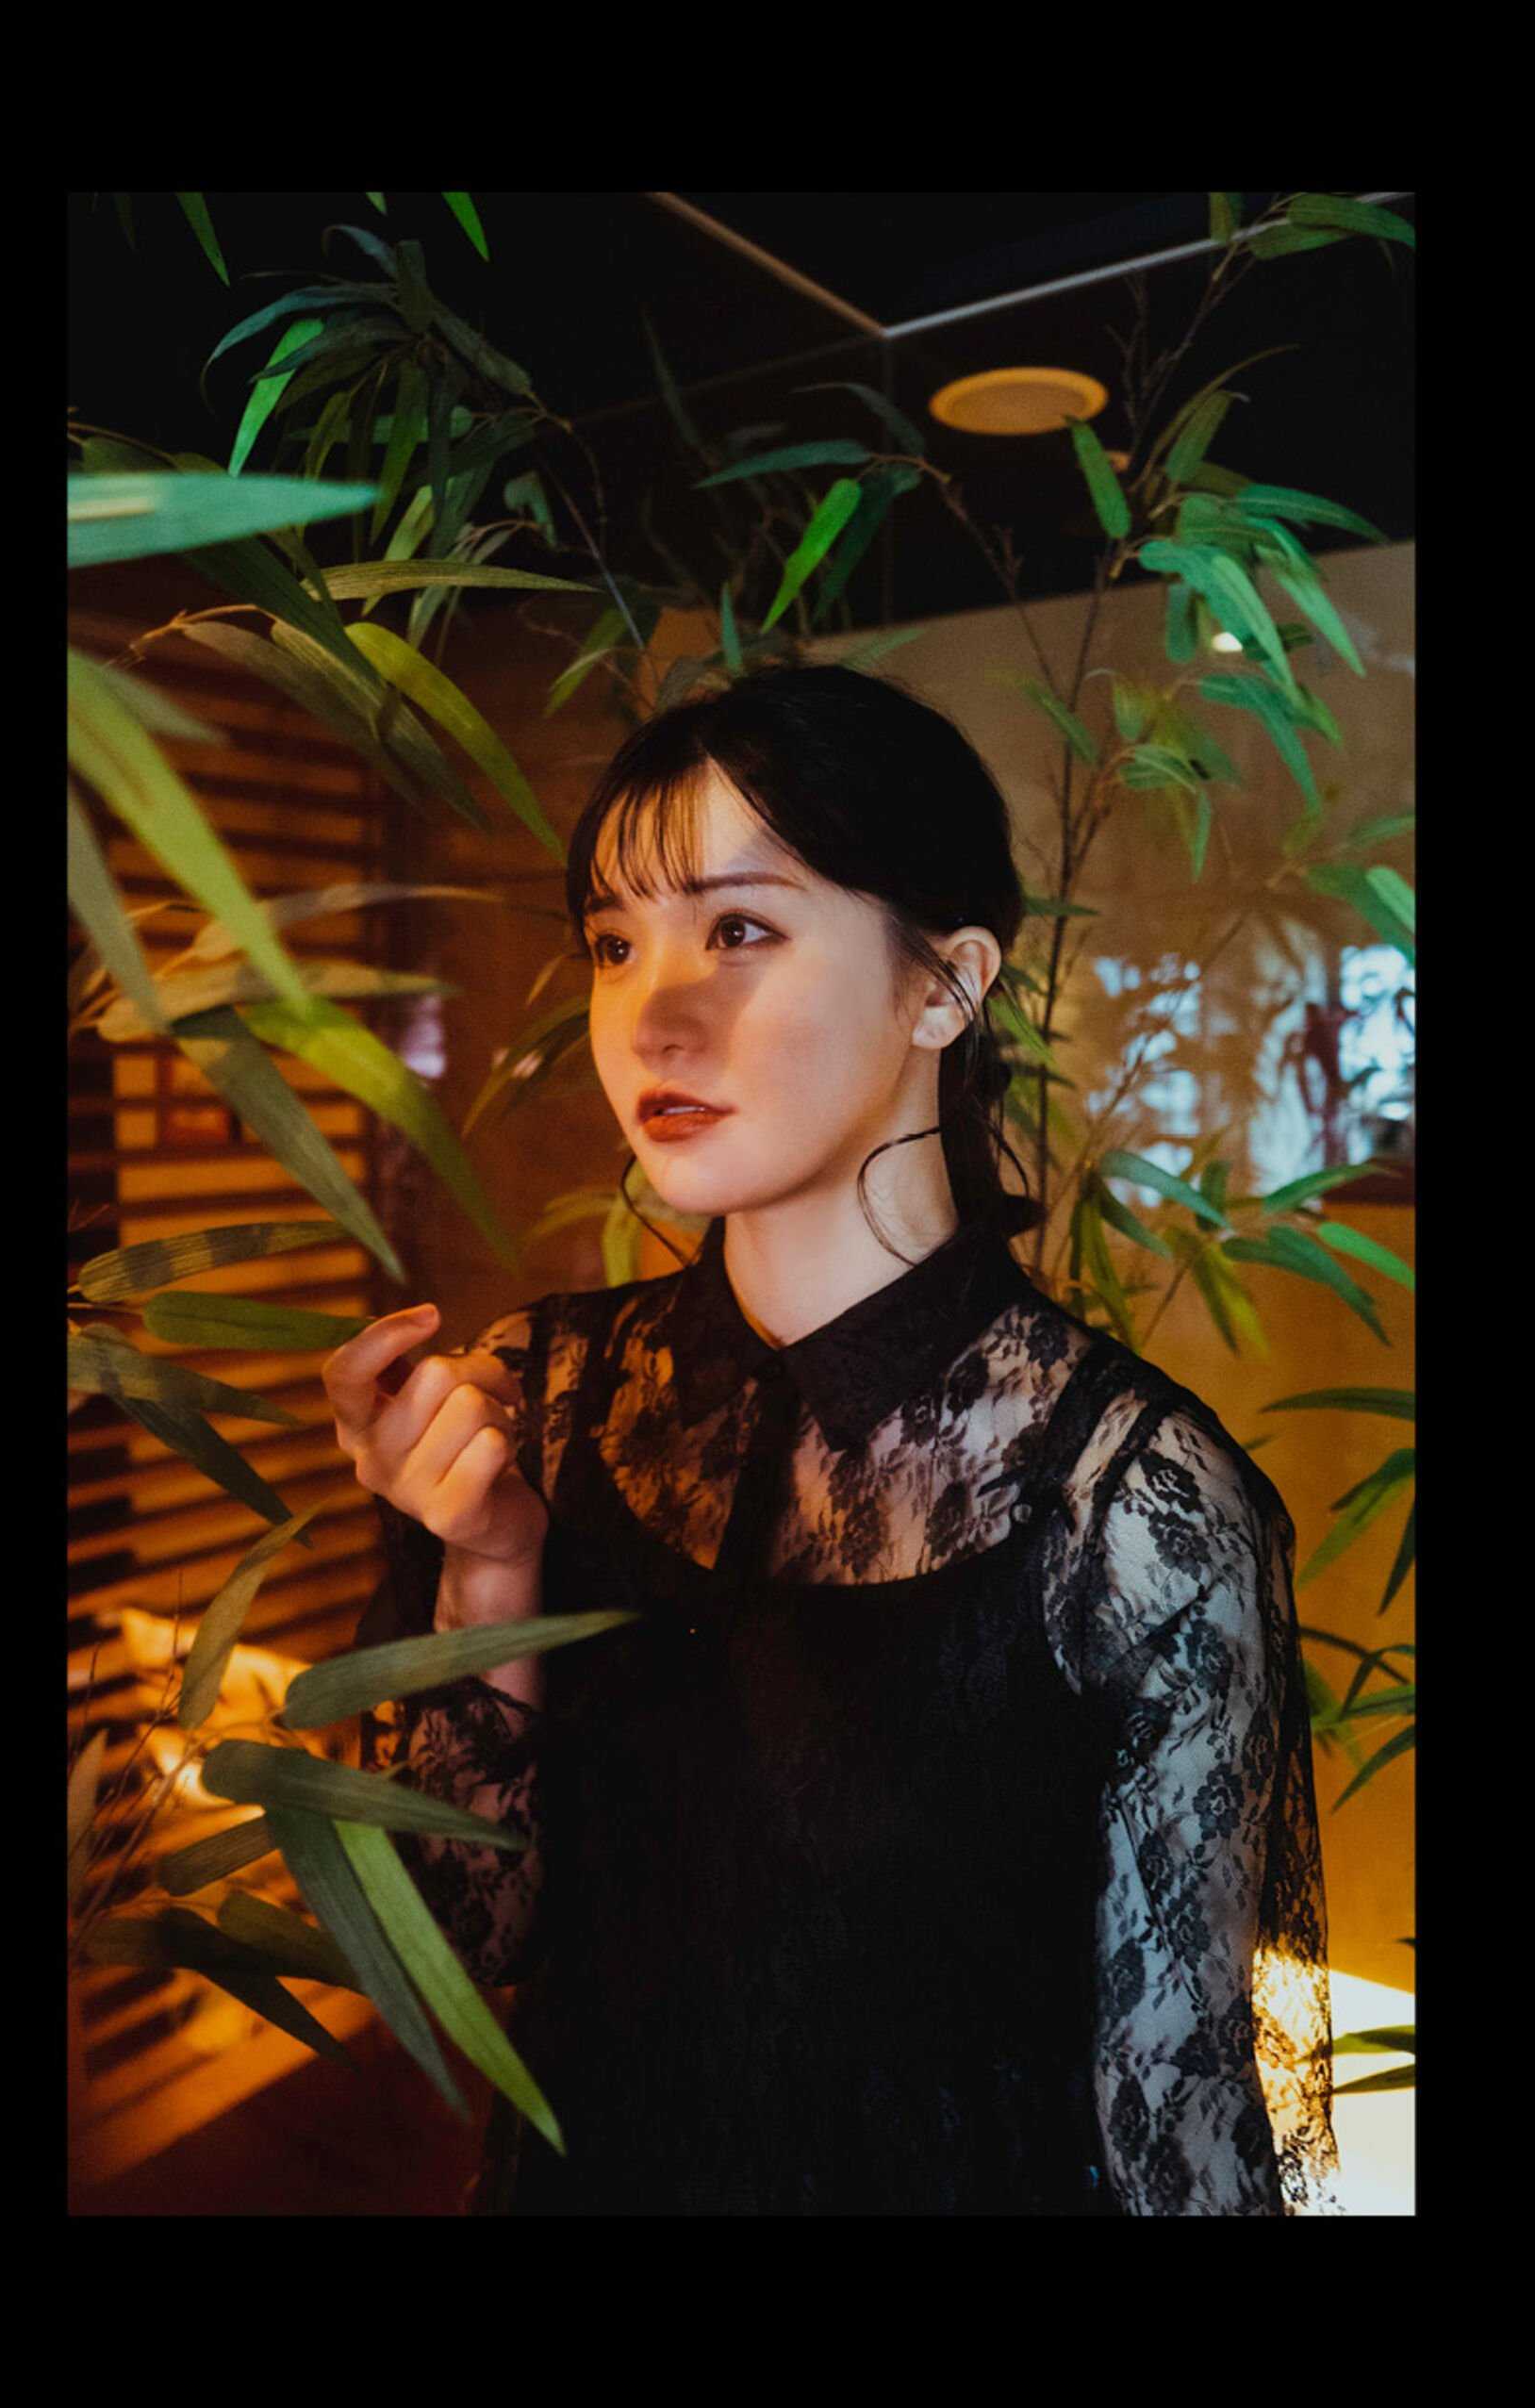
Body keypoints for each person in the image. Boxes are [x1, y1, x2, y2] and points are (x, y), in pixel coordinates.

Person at [324, 662, 1342, 2218]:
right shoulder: (538, 1400)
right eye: (613, 943)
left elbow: (1176, 2127)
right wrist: (485, 1576)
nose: (653, 1014)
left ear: (944, 986)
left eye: (740, 928)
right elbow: (449, 1960)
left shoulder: (1133, 1505)